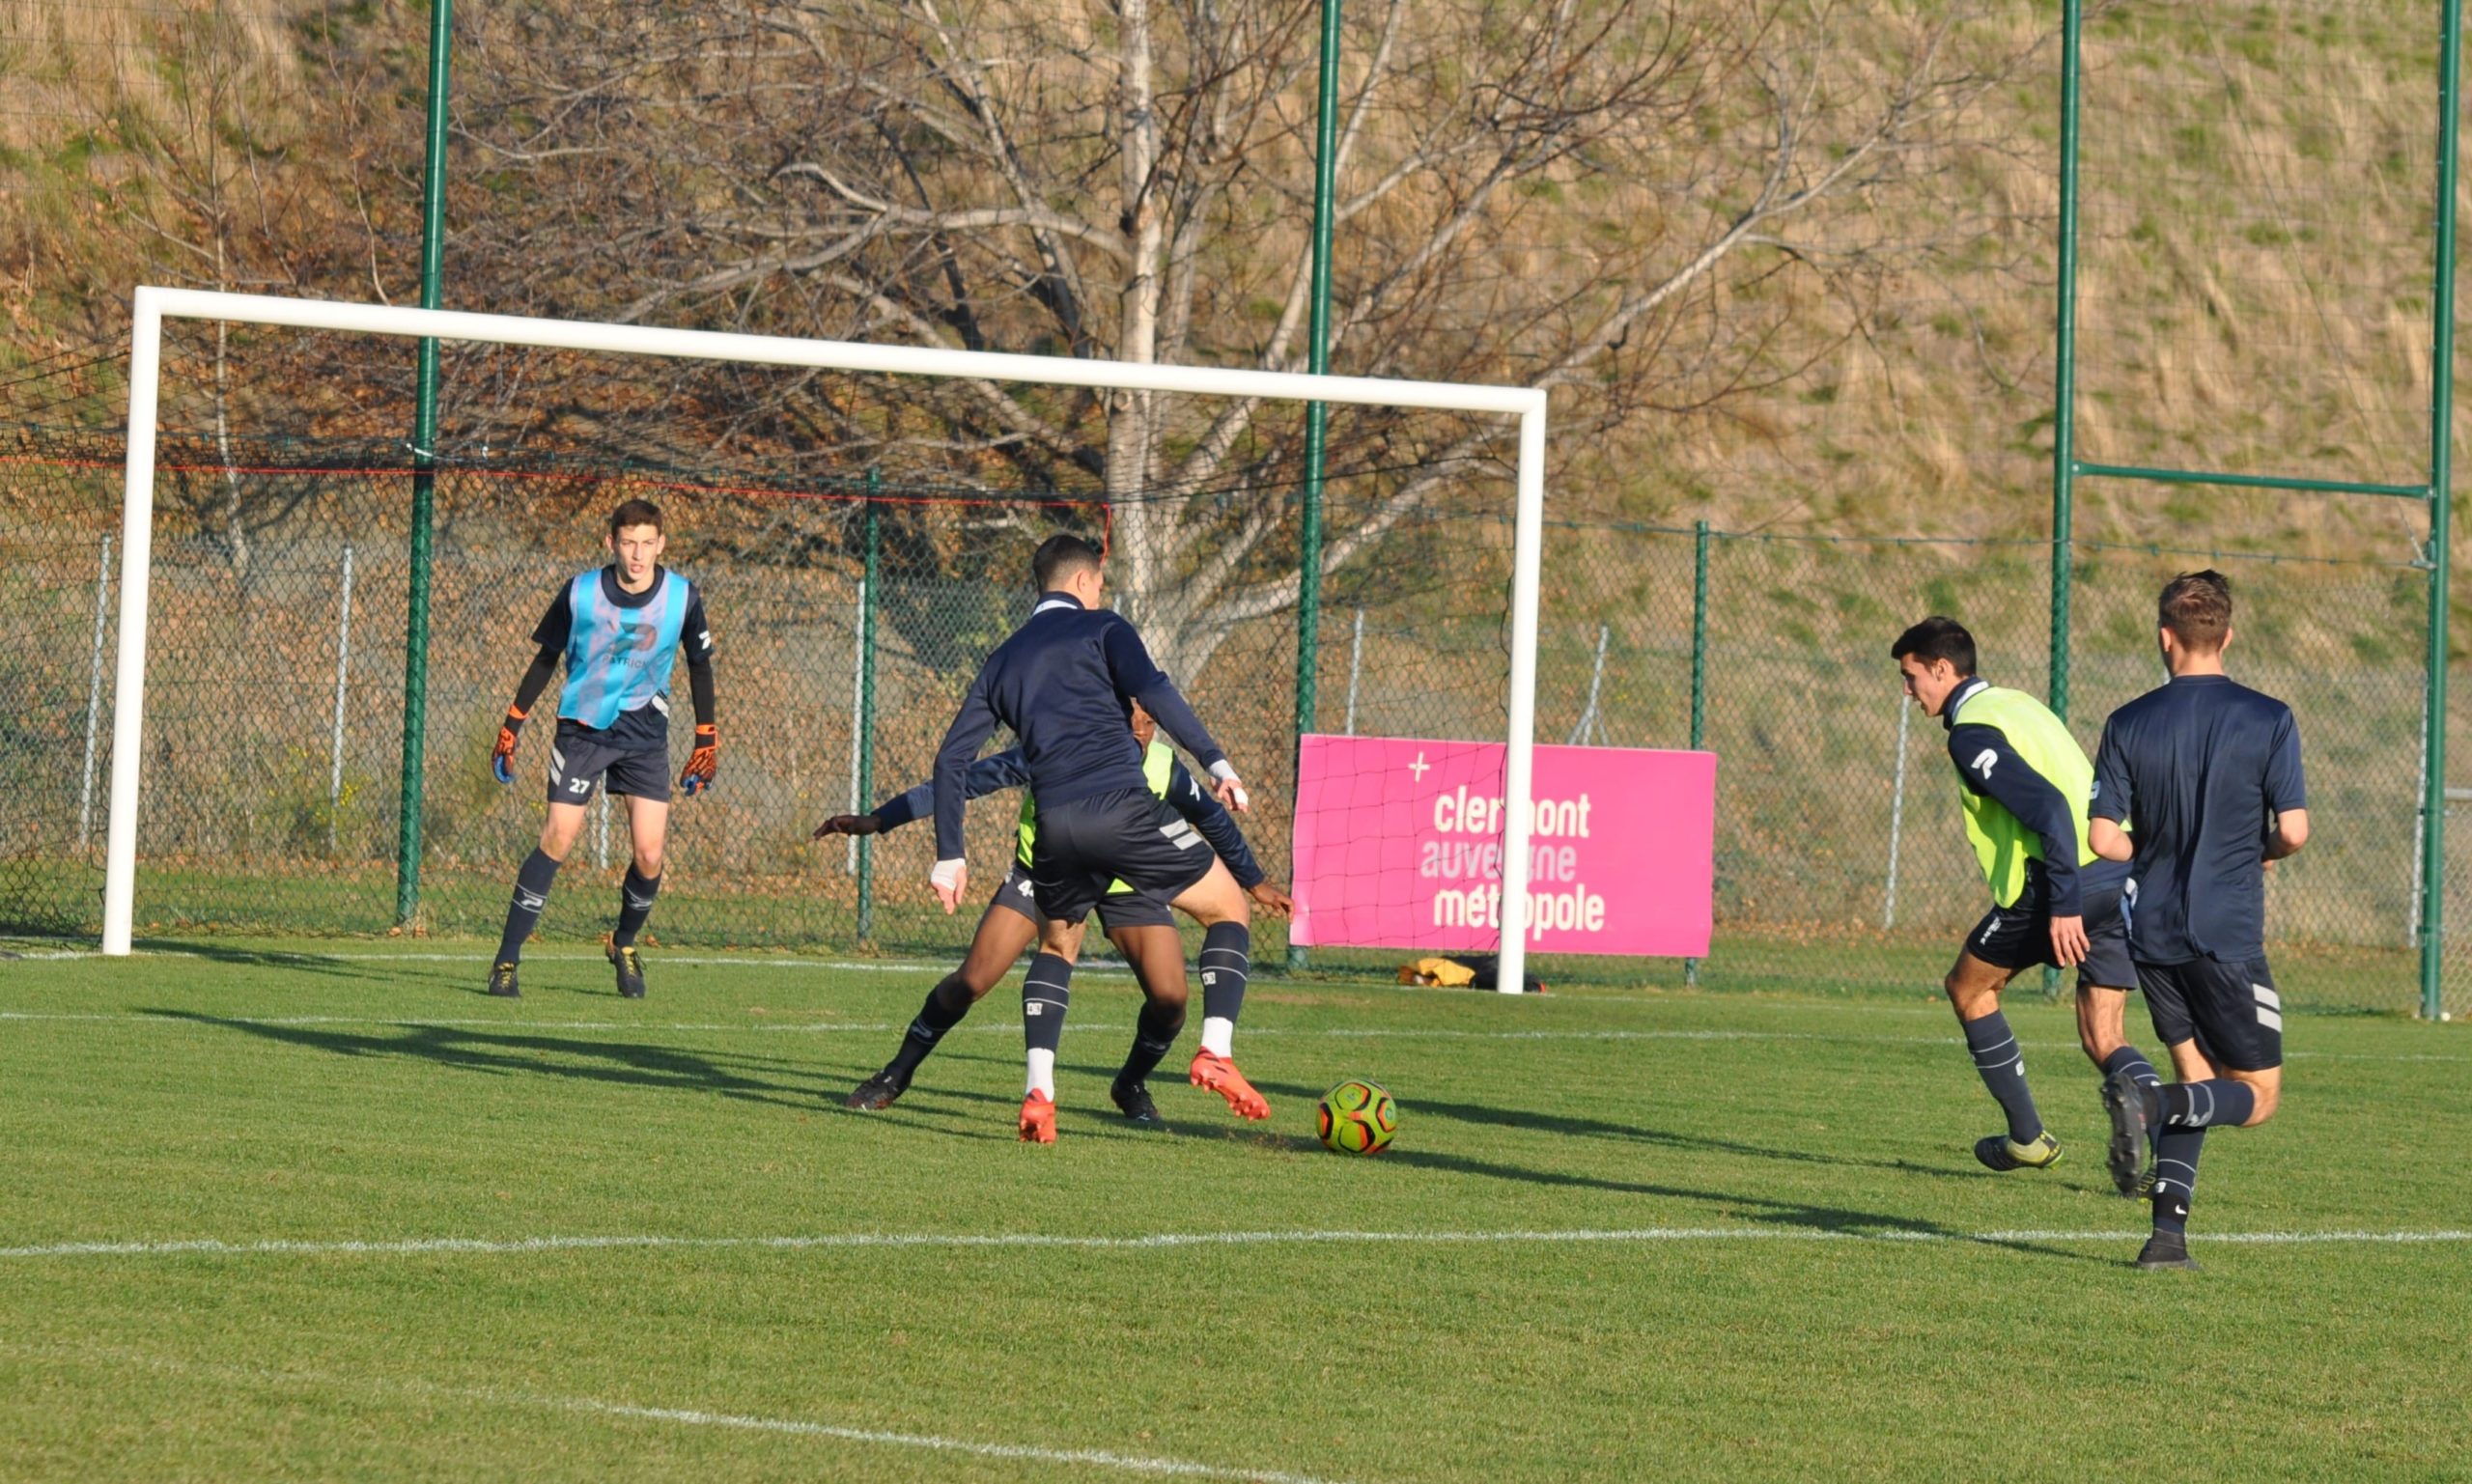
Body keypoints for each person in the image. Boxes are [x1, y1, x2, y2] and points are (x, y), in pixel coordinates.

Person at [926, 534, 1260, 1142]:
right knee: (1228, 906)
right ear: (1084, 581)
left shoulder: (1001, 660)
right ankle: (1215, 1049)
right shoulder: (1103, 627)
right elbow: (1154, 692)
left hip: (1054, 827)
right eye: (1100, 583)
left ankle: (1040, 1093)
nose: (1101, 592)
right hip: (1121, 811)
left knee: (1056, 951)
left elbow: (951, 760)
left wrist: (950, 856)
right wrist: (1215, 761)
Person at [818, 702, 1294, 1120]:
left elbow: (1209, 817)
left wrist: (1254, 880)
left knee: (1171, 1000)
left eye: (1148, 721)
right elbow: (965, 781)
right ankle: (896, 1073)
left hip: (1126, 885)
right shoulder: (1059, 749)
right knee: (973, 980)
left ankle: (1129, 1083)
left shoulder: (1165, 766)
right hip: (1043, 872)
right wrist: (881, 819)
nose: (1138, 730)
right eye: (1129, 717)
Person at [2089, 570, 2307, 1271]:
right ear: (2228, 636)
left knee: (2197, 1081)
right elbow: (2296, 830)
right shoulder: (2269, 717)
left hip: (2150, 933)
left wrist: (2149, 851)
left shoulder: (2127, 721)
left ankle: (2166, 1240)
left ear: (2164, 638)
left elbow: (2102, 837)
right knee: (2257, 1095)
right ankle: (2146, 1108)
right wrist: (2261, 849)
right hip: (2226, 935)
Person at [1890, 616, 2137, 1172]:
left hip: (2055, 886)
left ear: (1942, 668)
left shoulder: (1971, 732)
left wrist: (2064, 906)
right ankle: (2163, 1143)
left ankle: (2027, 1136)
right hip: (2111, 875)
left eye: (1911, 678)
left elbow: (2049, 807)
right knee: (2105, 1036)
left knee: (1968, 988)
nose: (1907, 692)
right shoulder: (2018, 703)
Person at [484, 498, 716, 999]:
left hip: (644, 734)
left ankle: (624, 943)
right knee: (558, 839)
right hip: (583, 728)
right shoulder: (582, 592)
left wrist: (707, 736)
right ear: (610, 542)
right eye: (628, 543)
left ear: (661, 545)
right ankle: (506, 960)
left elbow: (699, 665)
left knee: (650, 853)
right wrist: (512, 725)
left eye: (647, 544)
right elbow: (547, 659)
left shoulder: (681, 597)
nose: (637, 554)